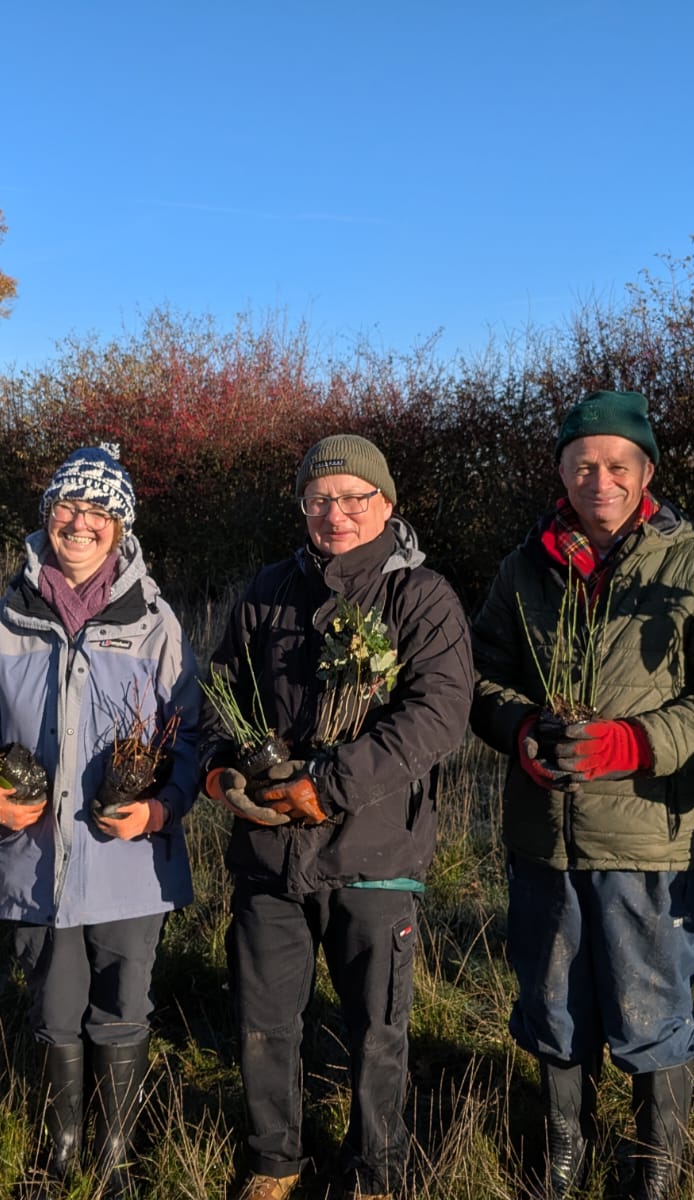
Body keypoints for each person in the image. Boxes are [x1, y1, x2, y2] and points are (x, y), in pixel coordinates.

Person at [469, 390, 694, 1200]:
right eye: (583, 464)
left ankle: (654, 1168)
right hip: (542, 833)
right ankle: (564, 1144)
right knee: (552, 999)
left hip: (647, 835)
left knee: (652, 1006)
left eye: (617, 465)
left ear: (646, 474)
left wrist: (640, 743)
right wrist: (520, 730)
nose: (599, 479)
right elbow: (479, 672)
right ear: (562, 471)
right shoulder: (524, 566)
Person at [202, 434, 472, 1200]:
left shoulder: (421, 598)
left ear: (387, 504)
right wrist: (226, 774)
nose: (338, 513)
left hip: (374, 851)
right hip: (268, 852)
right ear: (303, 508)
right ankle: (273, 1160)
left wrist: (330, 785)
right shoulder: (265, 590)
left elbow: (439, 715)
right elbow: (220, 693)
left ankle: (377, 1170)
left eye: (355, 497)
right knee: (264, 1022)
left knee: (378, 1031)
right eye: (321, 499)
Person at [0, 444, 199, 1199]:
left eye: (100, 510)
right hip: (34, 860)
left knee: (123, 1008)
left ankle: (116, 1153)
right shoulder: (5, 619)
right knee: (55, 1006)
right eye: (68, 506)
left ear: (122, 526)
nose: (80, 522)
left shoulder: (154, 623)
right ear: (47, 515)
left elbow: (188, 737)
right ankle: (62, 1149)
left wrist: (160, 808)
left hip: (129, 862)